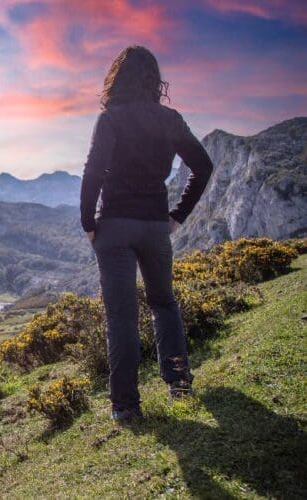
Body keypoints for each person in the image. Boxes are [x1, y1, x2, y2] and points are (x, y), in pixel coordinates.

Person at [79, 45, 214, 423]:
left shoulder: (110, 119)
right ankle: (179, 384)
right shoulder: (169, 119)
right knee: (164, 303)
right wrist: (178, 216)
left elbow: (92, 172)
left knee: (121, 316)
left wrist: (88, 223)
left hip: (115, 227)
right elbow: (203, 167)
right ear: (155, 81)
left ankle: (125, 407)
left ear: (116, 77)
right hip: (156, 225)